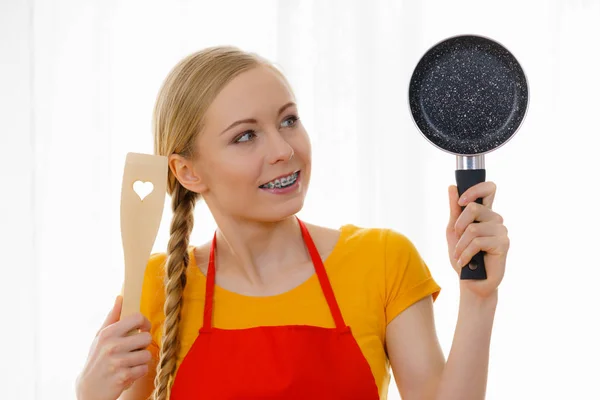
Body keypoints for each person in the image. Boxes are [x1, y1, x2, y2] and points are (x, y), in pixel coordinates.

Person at [75, 46, 510, 400]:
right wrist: (90, 396)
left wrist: (478, 297)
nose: (283, 149)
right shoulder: (158, 285)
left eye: (289, 120)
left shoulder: (382, 261)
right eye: (245, 135)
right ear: (188, 171)